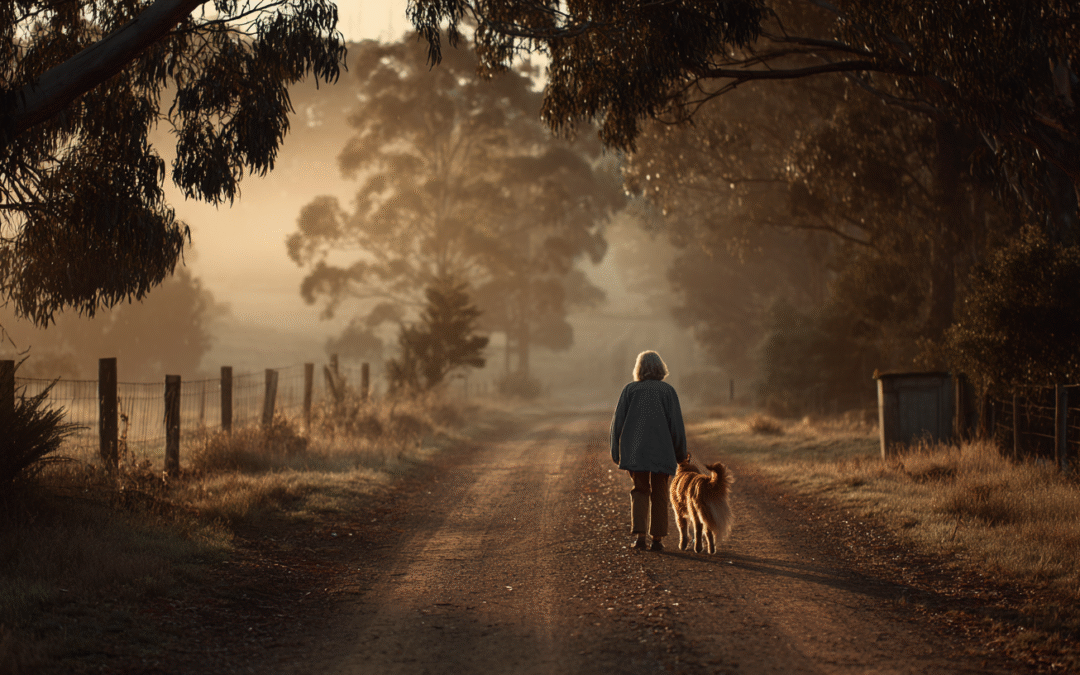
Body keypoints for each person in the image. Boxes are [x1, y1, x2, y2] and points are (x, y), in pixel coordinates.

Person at [609, 350, 687, 551]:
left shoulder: (629, 390)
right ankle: (658, 540)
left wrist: (615, 451)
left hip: (636, 452)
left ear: (639, 369)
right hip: (662, 452)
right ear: (661, 369)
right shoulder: (668, 392)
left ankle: (641, 537)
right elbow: (676, 426)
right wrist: (680, 454)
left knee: (640, 490)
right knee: (660, 493)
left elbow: (616, 424)